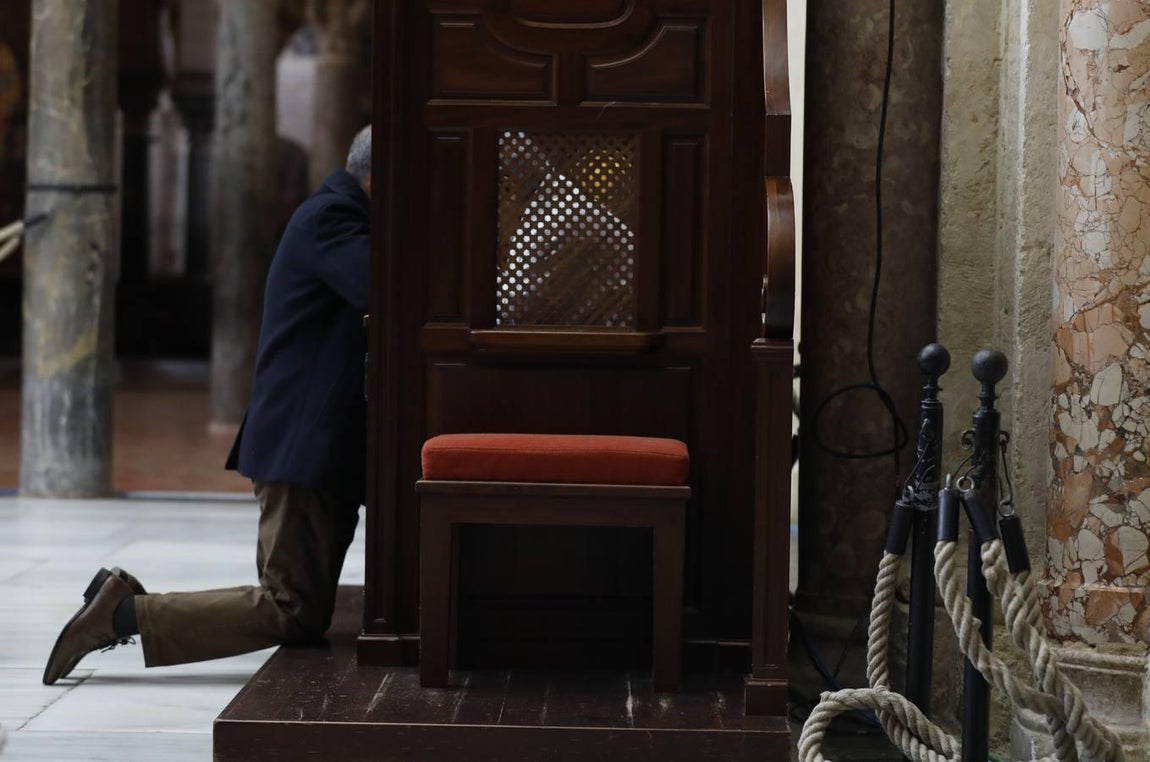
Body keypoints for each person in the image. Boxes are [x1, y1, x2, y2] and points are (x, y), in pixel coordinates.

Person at [42, 125, 373, 685]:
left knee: (302, 612)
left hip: (317, 447)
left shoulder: (343, 216)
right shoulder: (333, 218)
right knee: (291, 609)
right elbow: (390, 288)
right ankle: (122, 615)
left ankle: (122, 605)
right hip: (302, 446)